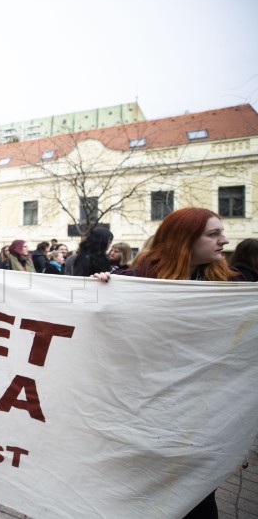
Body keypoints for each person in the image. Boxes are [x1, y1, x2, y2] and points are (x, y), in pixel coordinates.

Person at [93, 207, 245, 519]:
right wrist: (98, 294)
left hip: (200, 420)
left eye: (222, 233)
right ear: (184, 240)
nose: (224, 241)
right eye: (214, 234)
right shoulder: (131, 283)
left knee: (196, 501)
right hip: (142, 416)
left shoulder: (233, 289)